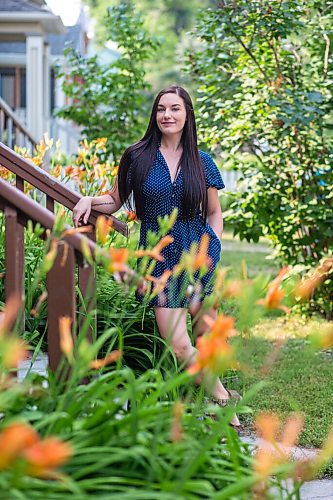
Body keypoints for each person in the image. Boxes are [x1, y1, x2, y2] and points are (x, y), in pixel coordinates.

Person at [73, 85, 241, 431]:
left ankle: (210, 394)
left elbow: (214, 212)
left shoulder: (202, 160)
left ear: (186, 114)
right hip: (159, 258)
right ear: (155, 114)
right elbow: (115, 200)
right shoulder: (137, 156)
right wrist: (89, 200)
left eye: (175, 109)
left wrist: (213, 244)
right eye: (162, 109)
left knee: (204, 334)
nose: (167, 115)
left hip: (198, 254)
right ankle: (223, 400)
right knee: (179, 344)